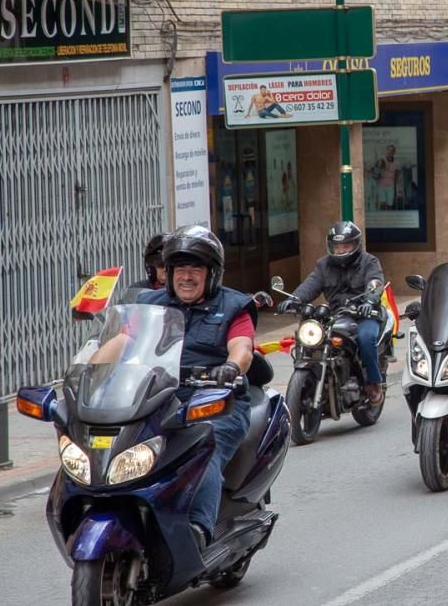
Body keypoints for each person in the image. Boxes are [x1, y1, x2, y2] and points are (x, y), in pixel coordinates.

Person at [138, 225, 256, 549]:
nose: (186, 276)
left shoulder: (234, 306)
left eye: (195, 268)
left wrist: (231, 367)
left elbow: (242, 347)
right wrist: (91, 367)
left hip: (215, 402)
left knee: (206, 448)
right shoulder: (149, 304)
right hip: (157, 401)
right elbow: (120, 342)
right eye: (179, 268)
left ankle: (199, 531)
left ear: (212, 273)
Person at [276, 221, 386, 404]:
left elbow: (375, 282)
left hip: (365, 314)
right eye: (337, 247)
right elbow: (310, 285)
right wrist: (293, 299)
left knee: (366, 338)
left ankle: (373, 382)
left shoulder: (369, 262)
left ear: (356, 245)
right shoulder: (323, 265)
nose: (341, 251)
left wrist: (370, 300)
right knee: (313, 339)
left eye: (346, 246)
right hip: (337, 315)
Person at [376, 146, 400, 210]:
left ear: (394, 152)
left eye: (392, 150)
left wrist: (398, 187)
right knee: (382, 203)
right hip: (381, 184)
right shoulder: (381, 160)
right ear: (386, 151)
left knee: (390, 204)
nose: (390, 152)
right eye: (389, 150)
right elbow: (376, 172)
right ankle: (382, 218)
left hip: (391, 185)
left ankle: (389, 218)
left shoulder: (397, 163)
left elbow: (397, 176)